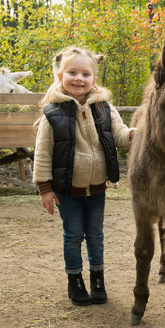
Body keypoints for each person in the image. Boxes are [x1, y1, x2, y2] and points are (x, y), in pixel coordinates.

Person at [33, 46, 135, 306]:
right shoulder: (52, 113)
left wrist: (135, 133)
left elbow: (120, 136)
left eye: (85, 74)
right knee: (73, 235)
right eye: (72, 72)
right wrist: (45, 188)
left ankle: (98, 279)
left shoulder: (104, 108)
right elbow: (43, 153)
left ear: (94, 79)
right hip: (68, 190)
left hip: (97, 188)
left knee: (96, 234)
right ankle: (75, 281)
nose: (79, 78)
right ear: (60, 76)